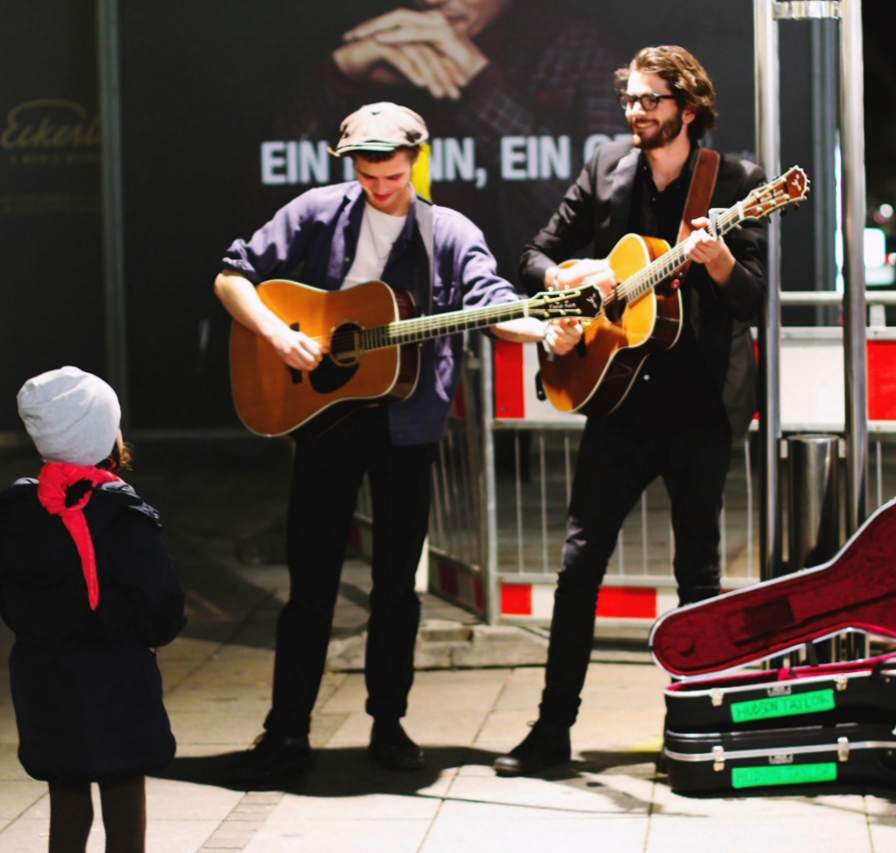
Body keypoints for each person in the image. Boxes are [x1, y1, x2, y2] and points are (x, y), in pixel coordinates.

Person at [214, 102, 576, 777]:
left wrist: (543, 331)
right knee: (311, 578)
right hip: (323, 415)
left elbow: (490, 303)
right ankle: (286, 729)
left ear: (415, 159)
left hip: (407, 425)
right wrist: (277, 332)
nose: (379, 186)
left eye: (391, 173)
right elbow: (232, 275)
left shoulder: (448, 231)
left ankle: (389, 723)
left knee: (395, 585)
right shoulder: (319, 210)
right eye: (368, 174)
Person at [493, 45, 768, 777]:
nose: (636, 111)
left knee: (697, 573)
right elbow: (533, 254)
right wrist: (570, 280)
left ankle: (699, 730)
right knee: (579, 567)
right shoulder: (607, 168)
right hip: (617, 400)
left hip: (699, 406)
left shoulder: (736, 182)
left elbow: (753, 299)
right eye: (631, 100)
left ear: (689, 107)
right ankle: (551, 731)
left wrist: (715, 261)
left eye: (650, 100)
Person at [280, 0, 628, 279]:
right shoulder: (356, 31)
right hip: (382, 299)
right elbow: (270, 183)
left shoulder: (573, 41)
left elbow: (599, 212)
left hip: (524, 296)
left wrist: (479, 80)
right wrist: (339, 75)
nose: (433, 1)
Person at [0, 366, 187, 853]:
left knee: (67, 791)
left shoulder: (16, 511)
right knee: (123, 798)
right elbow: (161, 602)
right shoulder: (120, 515)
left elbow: (8, 600)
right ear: (104, 432)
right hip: (114, 671)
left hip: (43, 675)